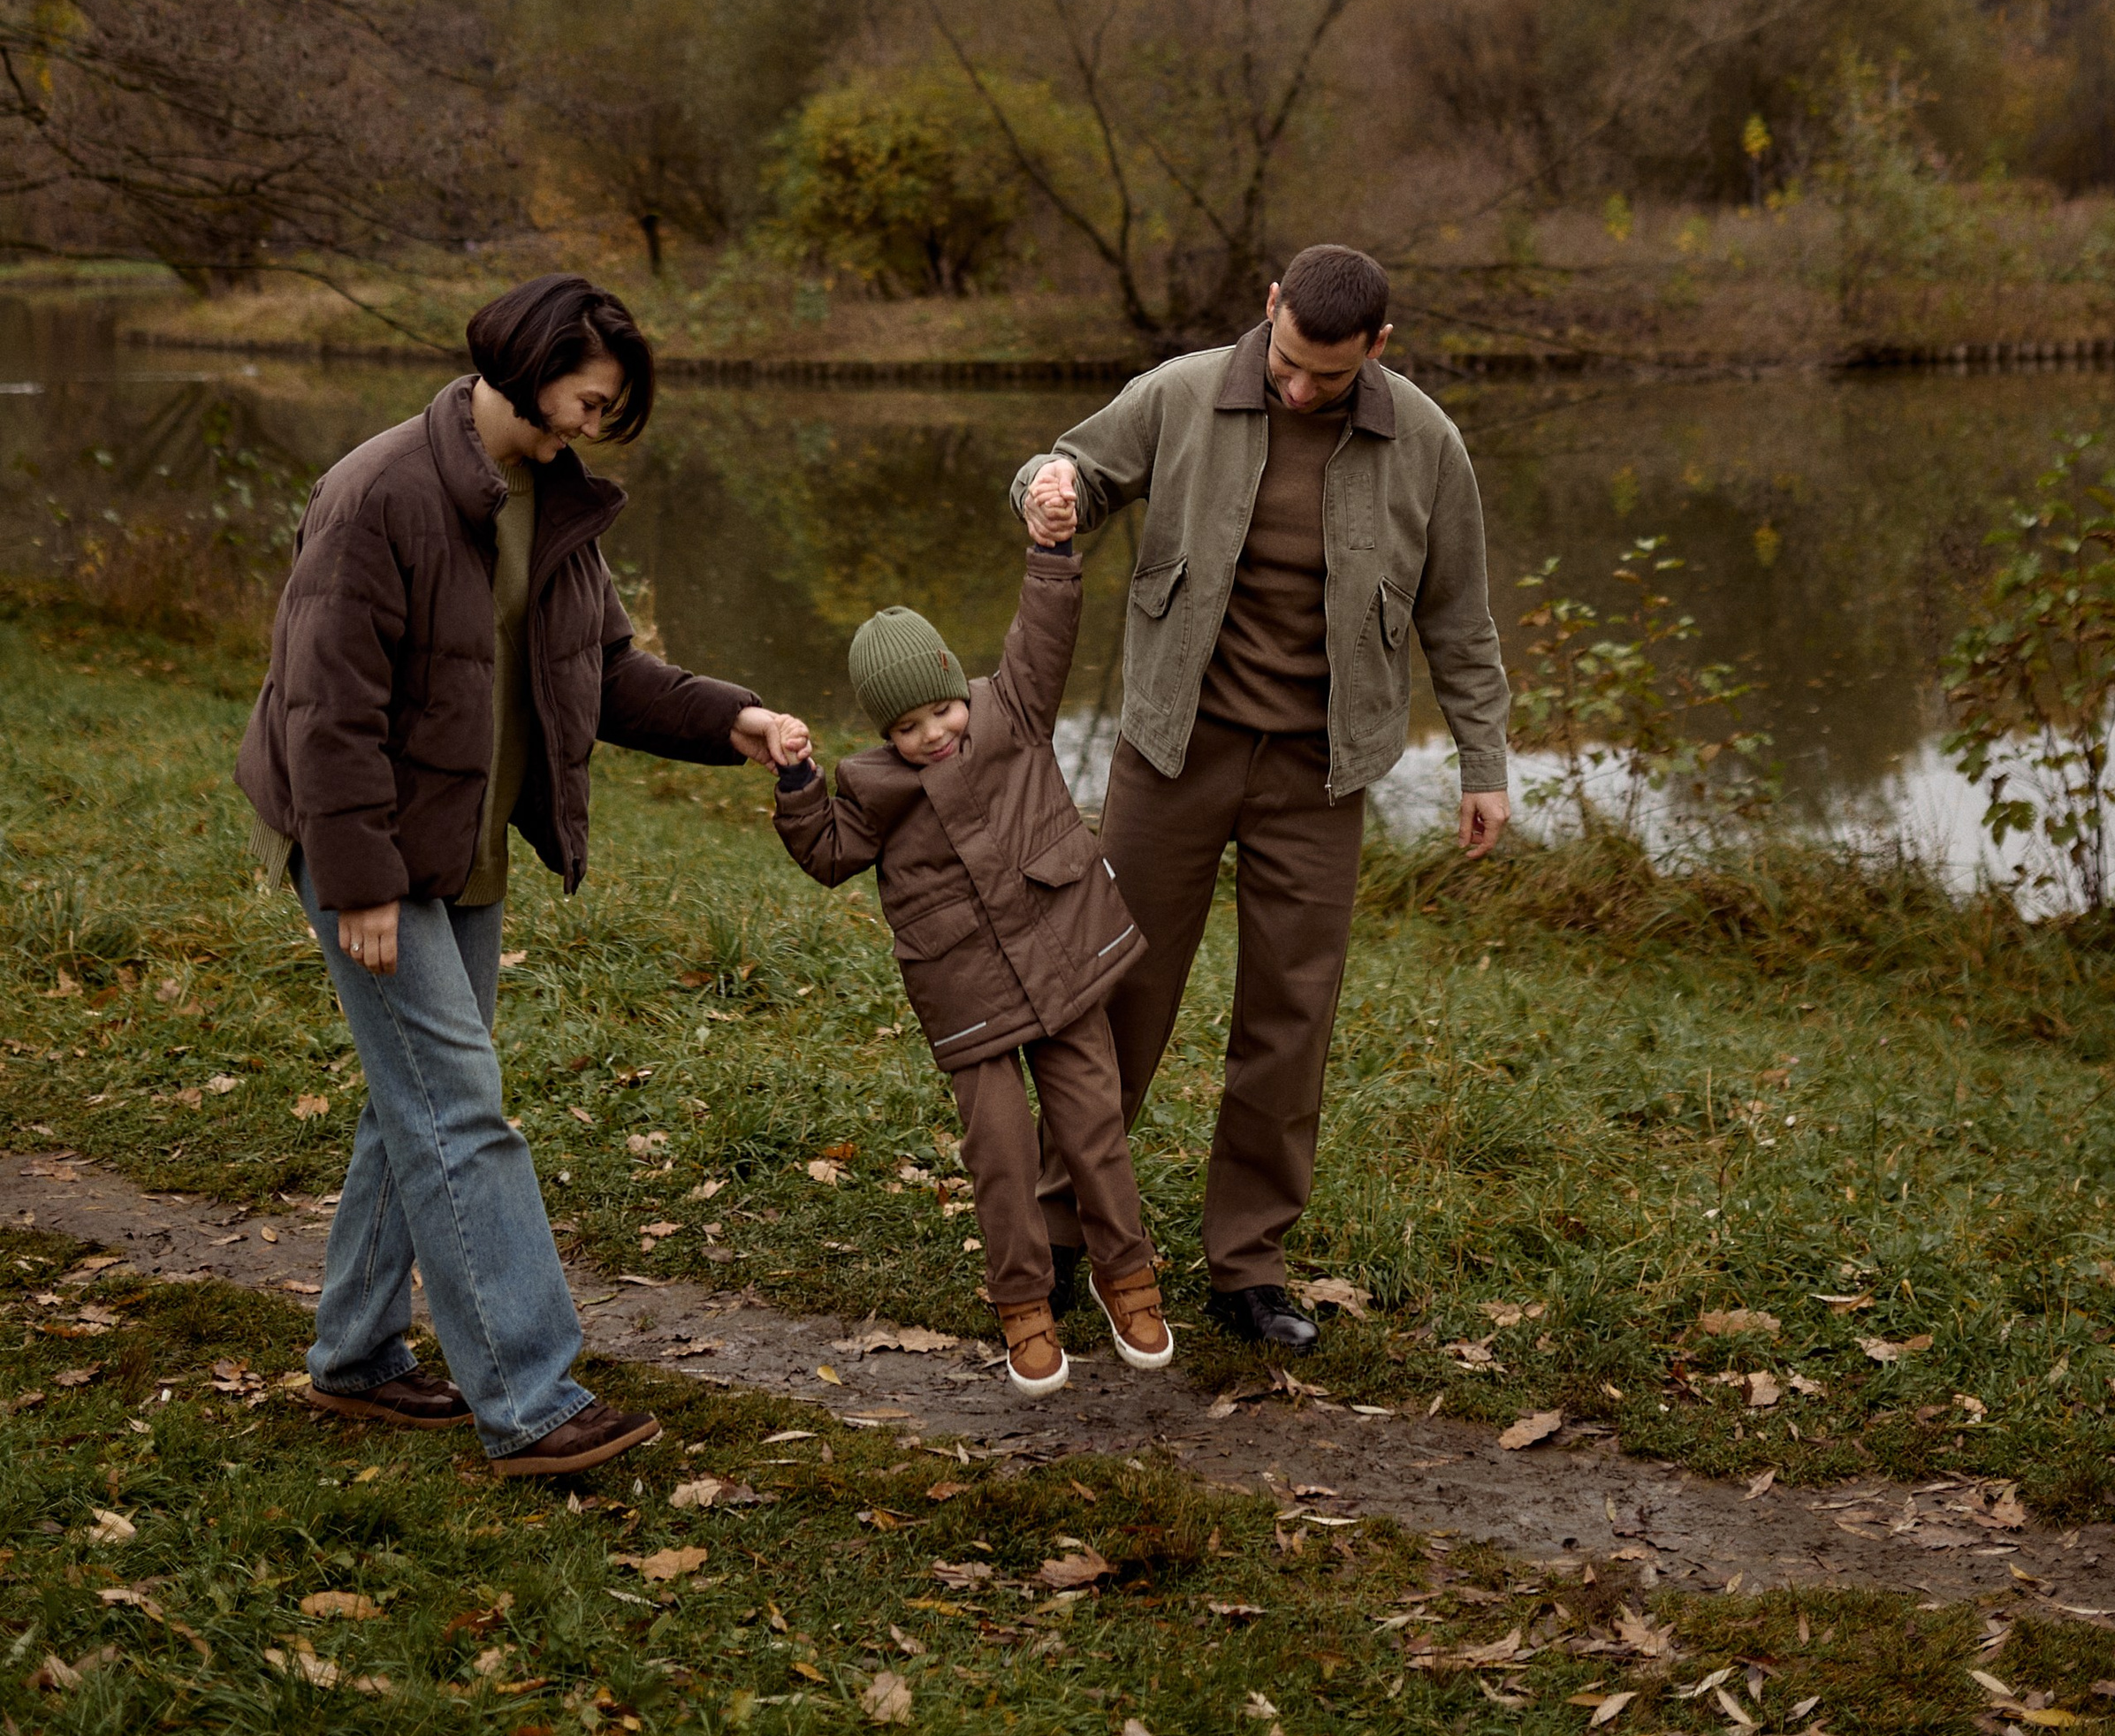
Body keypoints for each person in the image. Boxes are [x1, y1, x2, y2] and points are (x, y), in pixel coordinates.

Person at [235, 270, 809, 1478]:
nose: (596, 426)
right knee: (459, 1109)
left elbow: (602, 672)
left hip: (467, 845)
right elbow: (322, 715)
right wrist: (360, 885)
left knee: (424, 1102)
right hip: (368, 848)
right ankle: (533, 1398)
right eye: (590, 400)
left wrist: (734, 720)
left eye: (609, 410)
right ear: (530, 366)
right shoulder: (376, 492)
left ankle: (354, 1356)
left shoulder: (548, 503)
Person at [1012, 241, 1510, 1354]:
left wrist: (1485, 760)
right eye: (1287, 361)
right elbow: (1072, 470)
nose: (1298, 389)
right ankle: (1055, 1230)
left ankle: (1246, 1264)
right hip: (1170, 754)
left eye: (1326, 377)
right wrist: (1049, 489)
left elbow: (1460, 615)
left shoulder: (1423, 439)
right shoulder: (1182, 391)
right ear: (1270, 307)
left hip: (1318, 773)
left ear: (1376, 348)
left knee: (1289, 1020)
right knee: (1115, 994)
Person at [770, 538, 1172, 1395]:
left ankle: (1126, 1278)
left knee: (1093, 1128)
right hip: (968, 993)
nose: (931, 735)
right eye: (905, 728)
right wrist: (799, 783)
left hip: (1062, 964)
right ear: (883, 732)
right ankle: (1024, 1303)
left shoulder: (1014, 708)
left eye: (940, 712)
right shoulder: (873, 785)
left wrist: (1050, 550)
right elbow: (829, 851)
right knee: (998, 1152)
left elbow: (1047, 626)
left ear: (961, 685)